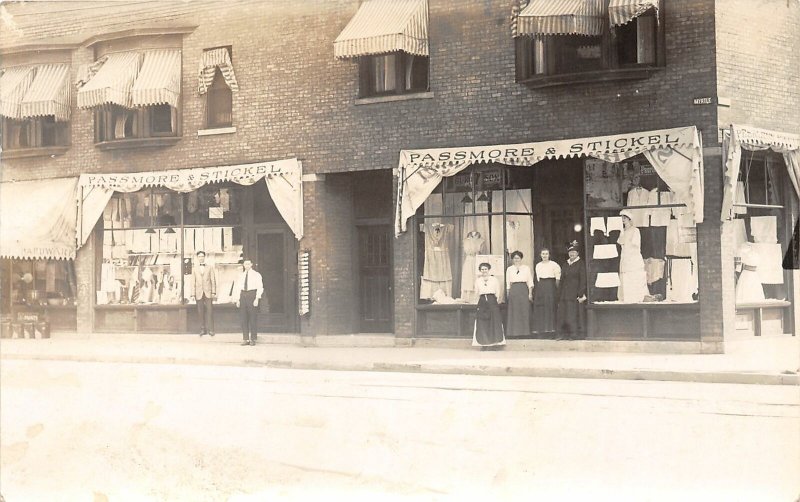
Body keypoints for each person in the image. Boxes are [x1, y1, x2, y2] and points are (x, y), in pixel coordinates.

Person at [556, 241, 587, 340]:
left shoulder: (580, 264)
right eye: (570, 252)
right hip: (564, 294)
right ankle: (563, 334)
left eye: (574, 252)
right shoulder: (566, 264)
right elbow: (562, 279)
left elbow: (583, 279)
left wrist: (580, 293)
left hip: (574, 294)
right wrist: (559, 293)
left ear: (577, 253)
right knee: (563, 314)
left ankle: (574, 334)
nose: (571, 254)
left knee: (572, 314)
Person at [617, 209, 649, 303]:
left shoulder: (635, 230)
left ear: (629, 219)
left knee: (634, 276)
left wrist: (630, 255)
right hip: (625, 257)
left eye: (625, 217)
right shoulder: (622, 231)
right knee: (625, 276)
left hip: (633, 257)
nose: (623, 219)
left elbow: (635, 245)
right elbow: (621, 243)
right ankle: (626, 298)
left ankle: (636, 297)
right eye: (622, 217)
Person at [473, 262, 505, 349]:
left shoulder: (494, 280)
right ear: (480, 270)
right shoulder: (478, 280)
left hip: (492, 300)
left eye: (485, 269)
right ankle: (484, 343)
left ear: (489, 270)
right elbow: (476, 293)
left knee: (494, 321)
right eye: (482, 269)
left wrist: (496, 300)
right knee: (483, 322)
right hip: (482, 300)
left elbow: (498, 291)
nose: (484, 271)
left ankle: (495, 343)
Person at [233, 258, 263, 346]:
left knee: (253, 318)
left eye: (248, 264)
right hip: (243, 296)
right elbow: (238, 288)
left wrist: (257, 298)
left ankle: (253, 339)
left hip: (252, 295)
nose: (247, 266)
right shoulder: (241, 275)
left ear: (251, 264)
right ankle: (245, 339)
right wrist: (237, 299)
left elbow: (260, 287)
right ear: (243, 265)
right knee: (243, 318)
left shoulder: (256, 275)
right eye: (245, 264)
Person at [533, 248, 561, 338]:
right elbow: (538, 278)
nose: (544, 255)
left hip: (550, 286)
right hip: (541, 287)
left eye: (546, 254)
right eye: (543, 254)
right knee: (541, 307)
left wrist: (554, 289)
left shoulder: (554, 265)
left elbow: (557, 279)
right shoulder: (538, 265)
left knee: (550, 307)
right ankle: (542, 331)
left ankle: (551, 331)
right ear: (540, 255)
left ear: (549, 255)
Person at [505, 250, 533, 337]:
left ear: (521, 259)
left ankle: (525, 333)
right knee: (514, 311)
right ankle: (514, 333)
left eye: (518, 258)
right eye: (515, 258)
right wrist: (508, 293)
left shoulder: (526, 268)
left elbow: (530, 282)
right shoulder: (509, 269)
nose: (516, 260)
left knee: (524, 310)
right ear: (512, 259)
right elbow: (508, 282)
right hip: (514, 290)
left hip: (523, 289)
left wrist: (530, 293)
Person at [191, 251, 216, 336]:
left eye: (202, 256)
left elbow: (213, 280)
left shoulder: (210, 267)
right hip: (198, 292)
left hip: (208, 292)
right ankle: (202, 329)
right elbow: (193, 282)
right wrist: (193, 294)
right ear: (197, 258)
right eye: (199, 256)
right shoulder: (194, 268)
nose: (201, 258)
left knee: (210, 311)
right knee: (200, 311)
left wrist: (213, 291)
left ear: (205, 257)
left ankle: (211, 330)